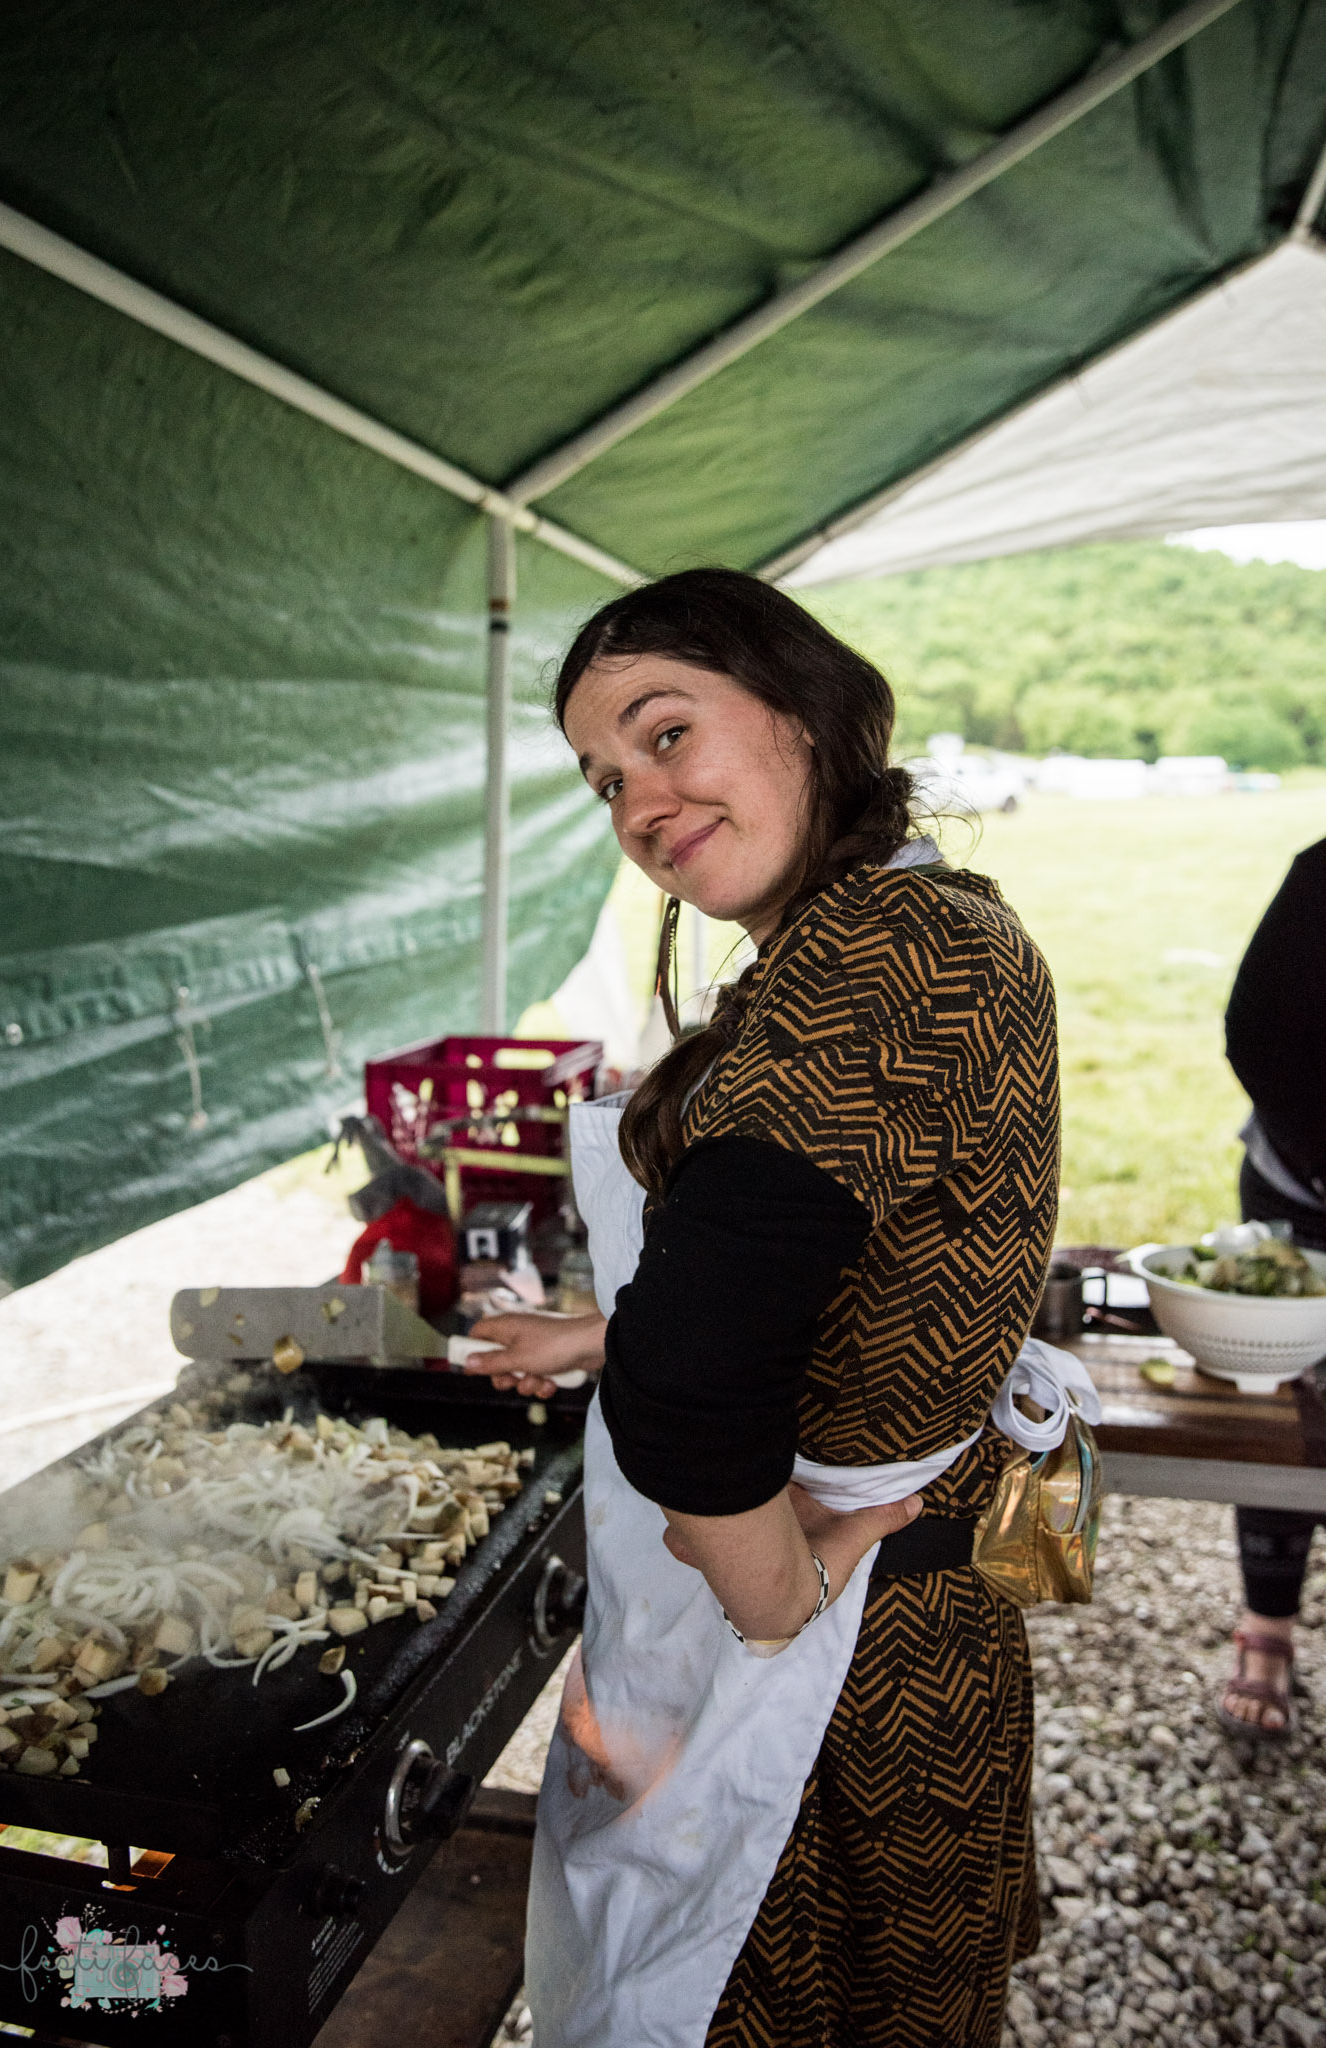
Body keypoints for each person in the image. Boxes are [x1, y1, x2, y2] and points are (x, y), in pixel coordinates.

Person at [466, 568, 1064, 2048]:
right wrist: (597, 1332)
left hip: (843, 1653)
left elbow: (691, 1376)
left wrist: (775, 1598)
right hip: (867, 1613)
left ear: (801, 710)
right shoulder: (876, 925)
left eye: (664, 733)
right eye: (605, 779)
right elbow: (821, 1255)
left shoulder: (889, 948)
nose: (635, 803)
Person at [1218, 836, 1326, 1741]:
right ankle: (1267, 1626)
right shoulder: (1321, 874)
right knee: (1282, 1392)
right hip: (1304, 1178)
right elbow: (1256, 1032)